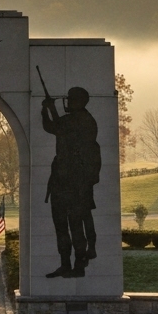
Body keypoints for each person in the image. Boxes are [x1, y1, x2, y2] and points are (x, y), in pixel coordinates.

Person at [41, 86, 101, 278]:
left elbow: (53, 127)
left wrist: (46, 109)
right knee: (63, 227)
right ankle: (66, 264)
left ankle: (77, 266)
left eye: (70, 99)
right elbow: (59, 127)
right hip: (62, 182)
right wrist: (49, 110)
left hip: (74, 185)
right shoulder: (79, 120)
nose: (67, 102)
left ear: (78, 101)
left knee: (74, 228)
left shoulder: (82, 121)